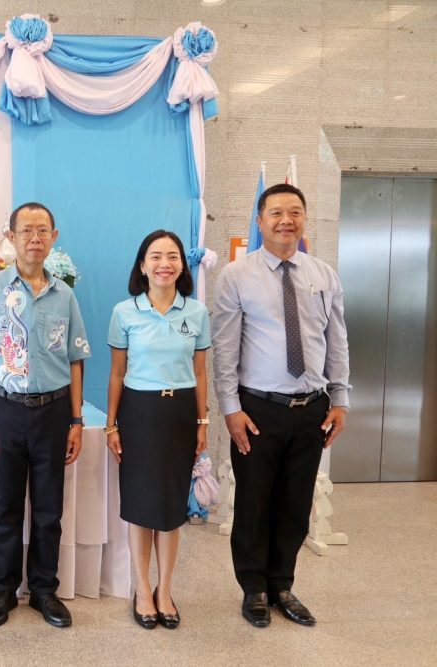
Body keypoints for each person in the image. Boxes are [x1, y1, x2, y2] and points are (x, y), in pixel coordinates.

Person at [212, 183, 350, 628]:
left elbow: (337, 341)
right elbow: (224, 350)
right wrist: (230, 409)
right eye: (275, 213)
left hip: (312, 409)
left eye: (294, 212)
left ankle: (282, 585)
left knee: (295, 504)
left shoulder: (323, 275)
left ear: (305, 219)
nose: (285, 220)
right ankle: (253, 587)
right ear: (260, 220)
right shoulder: (236, 275)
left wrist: (340, 398)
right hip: (258, 410)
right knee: (253, 503)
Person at [0, 202, 90, 629]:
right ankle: (4, 589)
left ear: (54, 237)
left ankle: (44, 590)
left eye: (43, 230)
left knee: (49, 510)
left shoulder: (64, 295)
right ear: (11, 237)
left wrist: (76, 422)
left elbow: (75, 360)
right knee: (6, 507)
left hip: (53, 412)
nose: (35, 238)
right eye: (26, 230)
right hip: (5, 411)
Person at [105, 230, 210, 630]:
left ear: (182, 265)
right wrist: (111, 425)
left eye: (172, 256)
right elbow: (117, 373)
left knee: (170, 509)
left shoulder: (196, 312)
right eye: (156, 256)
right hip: (139, 413)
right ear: (143, 265)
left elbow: (200, 373)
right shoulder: (124, 312)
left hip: (180, 412)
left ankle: (165, 590)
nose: (164, 263)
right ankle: (142, 589)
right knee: (141, 507)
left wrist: (202, 421)